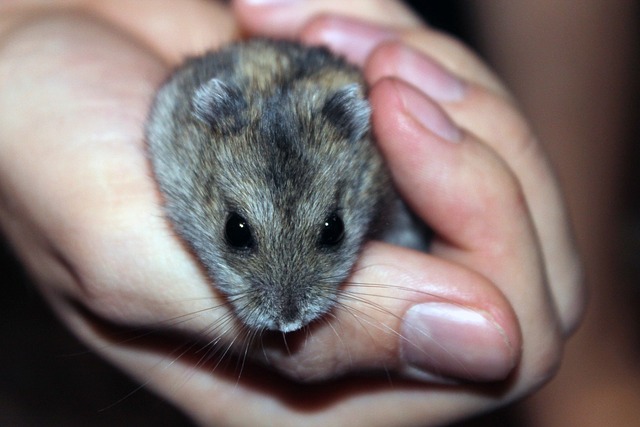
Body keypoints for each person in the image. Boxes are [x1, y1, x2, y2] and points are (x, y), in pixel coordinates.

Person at [0, 1, 585, 425]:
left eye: (328, 234)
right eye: (240, 234)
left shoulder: (356, 138)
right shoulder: (197, 124)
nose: (286, 306)